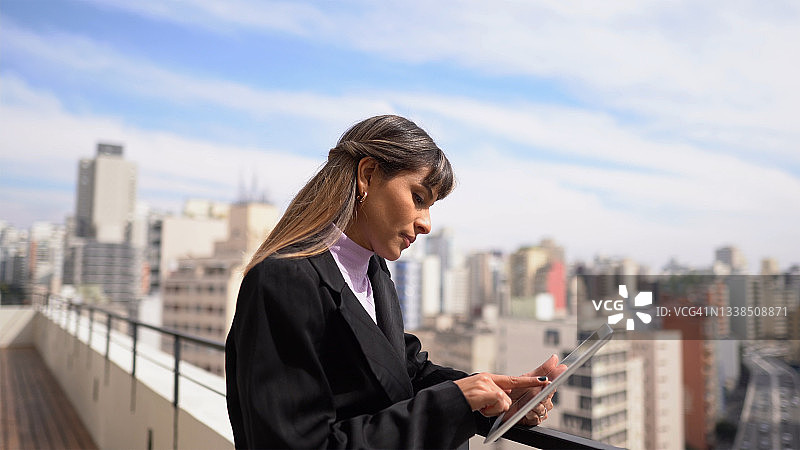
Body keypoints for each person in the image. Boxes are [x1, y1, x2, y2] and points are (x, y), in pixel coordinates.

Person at [225, 115, 565, 449]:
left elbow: (404, 374)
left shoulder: (374, 271)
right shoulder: (284, 279)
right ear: (368, 175)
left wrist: (502, 396)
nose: (426, 224)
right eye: (418, 198)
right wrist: (454, 402)